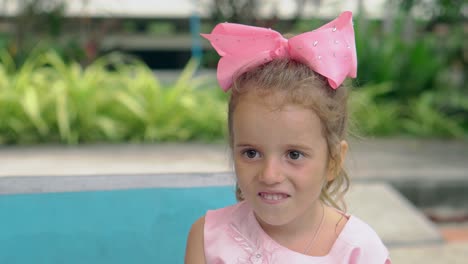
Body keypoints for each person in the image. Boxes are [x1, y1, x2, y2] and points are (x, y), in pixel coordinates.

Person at [185, 11, 391, 264]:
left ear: (333, 161)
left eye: (294, 154)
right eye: (251, 153)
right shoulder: (208, 238)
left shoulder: (359, 250)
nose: (270, 175)